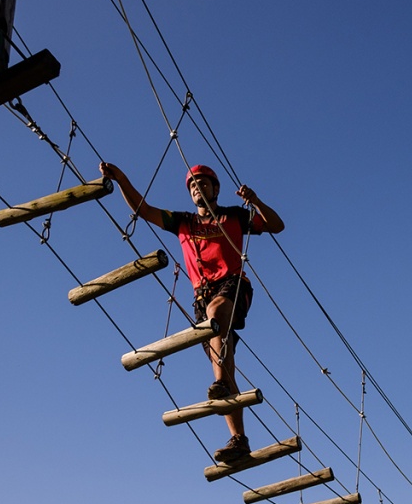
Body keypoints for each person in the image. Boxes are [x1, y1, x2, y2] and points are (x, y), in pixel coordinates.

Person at [99, 161, 285, 463]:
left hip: (233, 287)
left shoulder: (234, 216)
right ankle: (239, 439)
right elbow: (144, 210)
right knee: (222, 367)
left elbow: (276, 225)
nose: (198, 189)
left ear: (215, 189)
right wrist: (120, 177)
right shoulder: (182, 222)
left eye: (203, 184)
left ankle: (224, 386)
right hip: (201, 299)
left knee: (217, 312)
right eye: (193, 186)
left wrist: (256, 202)